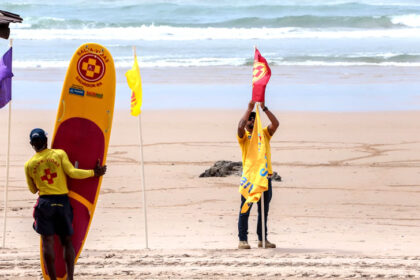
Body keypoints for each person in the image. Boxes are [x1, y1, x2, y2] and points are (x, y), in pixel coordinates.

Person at [24, 128, 107, 280]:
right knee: (66, 241)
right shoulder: (59, 154)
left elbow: (32, 189)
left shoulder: (29, 165)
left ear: (32, 144)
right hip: (62, 202)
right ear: (46, 141)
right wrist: (94, 173)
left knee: (47, 242)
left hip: (45, 204)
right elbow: (72, 172)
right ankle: (70, 278)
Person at [237, 100, 279, 249]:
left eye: (254, 119)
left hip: (265, 177)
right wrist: (249, 108)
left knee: (263, 211)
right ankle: (243, 240)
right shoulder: (244, 138)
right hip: (250, 178)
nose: (252, 121)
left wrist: (264, 109)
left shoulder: (264, 135)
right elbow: (240, 127)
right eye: (250, 119)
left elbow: (276, 124)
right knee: (245, 208)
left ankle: (263, 239)